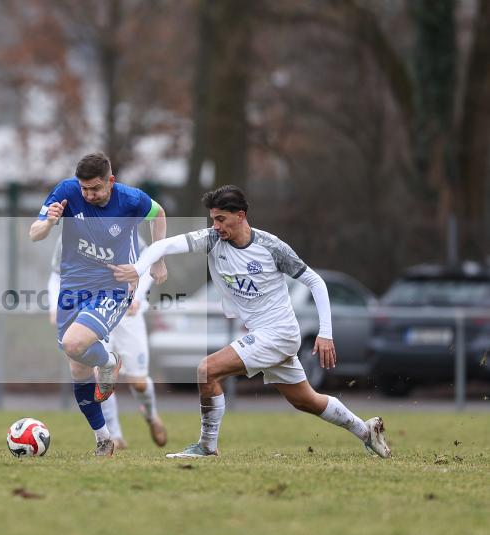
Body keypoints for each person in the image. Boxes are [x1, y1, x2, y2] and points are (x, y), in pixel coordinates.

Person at [110, 185, 391, 459]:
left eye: (221, 219)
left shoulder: (271, 247)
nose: (216, 225)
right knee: (306, 400)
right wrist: (139, 269)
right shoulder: (212, 239)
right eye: (213, 219)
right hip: (266, 335)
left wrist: (325, 333)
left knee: (207, 370)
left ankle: (207, 447)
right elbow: (165, 244)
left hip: (279, 333)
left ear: (241, 215)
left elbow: (315, 281)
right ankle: (366, 431)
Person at [30, 152, 167, 456]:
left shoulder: (131, 199)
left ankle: (108, 362)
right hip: (72, 288)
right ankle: (104, 439)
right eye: (84, 188)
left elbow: (159, 214)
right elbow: (34, 233)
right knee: (76, 363)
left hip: (114, 285)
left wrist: (157, 261)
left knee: (77, 343)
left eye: (95, 188)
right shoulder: (66, 192)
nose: (88, 194)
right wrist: (50, 222)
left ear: (111, 182)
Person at [48, 234, 167, 449]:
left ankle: (151, 416)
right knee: (99, 374)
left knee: (138, 383)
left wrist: (137, 297)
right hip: (94, 310)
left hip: (128, 315)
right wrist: (54, 305)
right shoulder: (70, 235)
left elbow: (147, 264)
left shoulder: (123, 229)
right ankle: (114, 435)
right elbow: (57, 274)